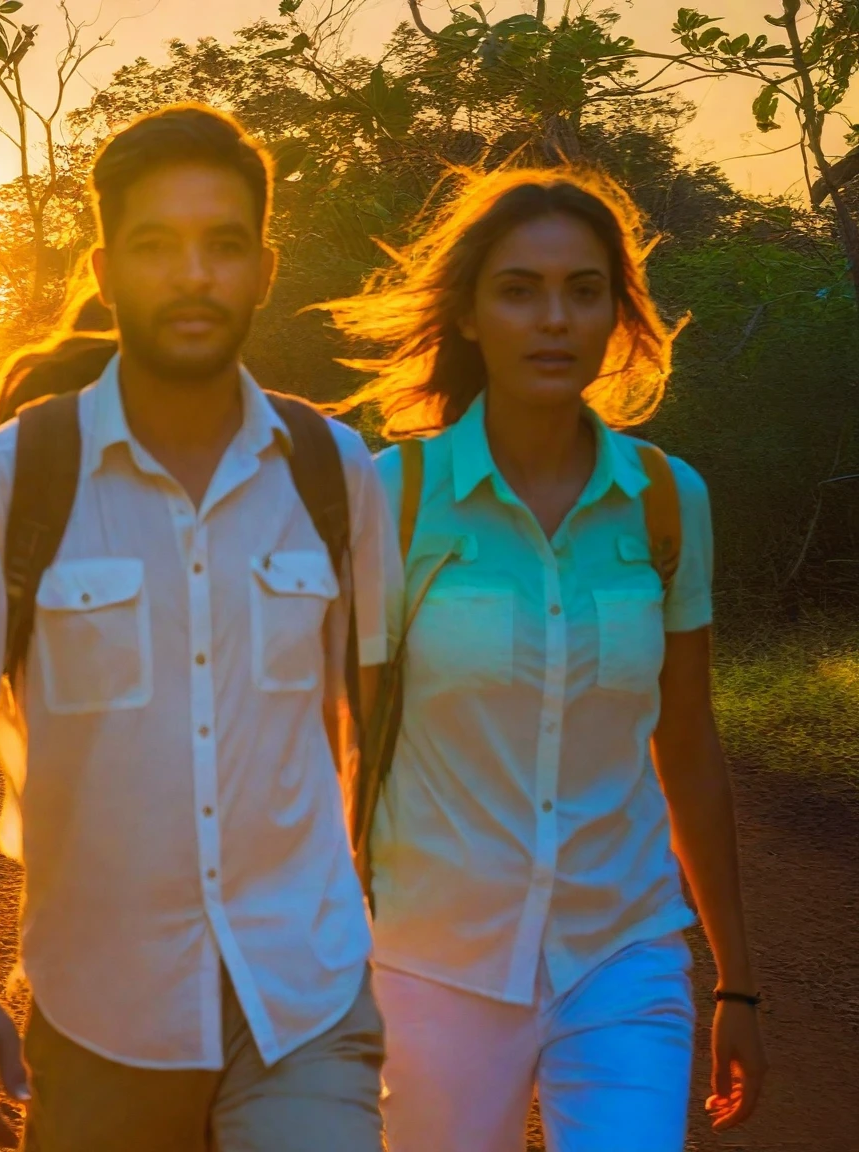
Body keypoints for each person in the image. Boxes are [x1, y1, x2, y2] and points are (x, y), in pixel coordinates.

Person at [0, 104, 397, 1151]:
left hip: (304, 998)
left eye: (223, 244)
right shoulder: (6, 484)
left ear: (263, 266)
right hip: (99, 1009)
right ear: (107, 269)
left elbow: (378, 720)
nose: (194, 274)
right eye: (157, 246)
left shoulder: (333, 473)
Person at [327, 166, 767, 1151]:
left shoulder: (666, 499)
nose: (554, 318)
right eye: (519, 289)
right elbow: (343, 744)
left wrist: (737, 979)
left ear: (617, 314)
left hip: (623, 949)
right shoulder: (392, 500)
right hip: (432, 963)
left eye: (583, 290)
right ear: (473, 313)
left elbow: (687, 743)